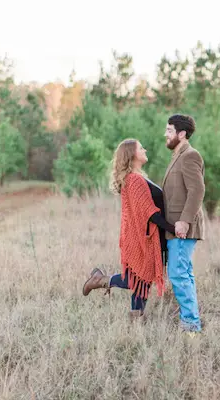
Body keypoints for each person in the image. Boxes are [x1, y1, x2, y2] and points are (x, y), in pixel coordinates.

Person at [82, 138, 175, 321]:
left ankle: (136, 318)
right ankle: (100, 281)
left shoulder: (137, 177)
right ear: (132, 154)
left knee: (142, 281)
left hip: (149, 237)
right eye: (141, 148)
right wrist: (173, 228)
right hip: (145, 239)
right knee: (138, 279)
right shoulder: (134, 180)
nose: (145, 149)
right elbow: (150, 214)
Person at [162, 114, 206, 333]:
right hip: (175, 227)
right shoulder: (177, 156)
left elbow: (197, 190)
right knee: (183, 273)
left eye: (169, 130)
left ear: (181, 134)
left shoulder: (190, 155)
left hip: (182, 228)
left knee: (178, 274)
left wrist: (184, 221)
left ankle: (190, 325)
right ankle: (192, 322)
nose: (166, 134)